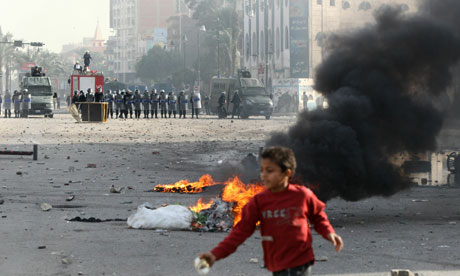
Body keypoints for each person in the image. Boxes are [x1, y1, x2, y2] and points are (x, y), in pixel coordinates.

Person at [199, 146, 343, 276]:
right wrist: (215, 255)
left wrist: (328, 232)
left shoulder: (303, 195)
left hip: (301, 263)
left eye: (270, 171)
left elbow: (318, 216)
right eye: (262, 170)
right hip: (277, 264)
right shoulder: (259, 201)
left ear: (287, 173)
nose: (263, 175)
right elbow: (240, 232)